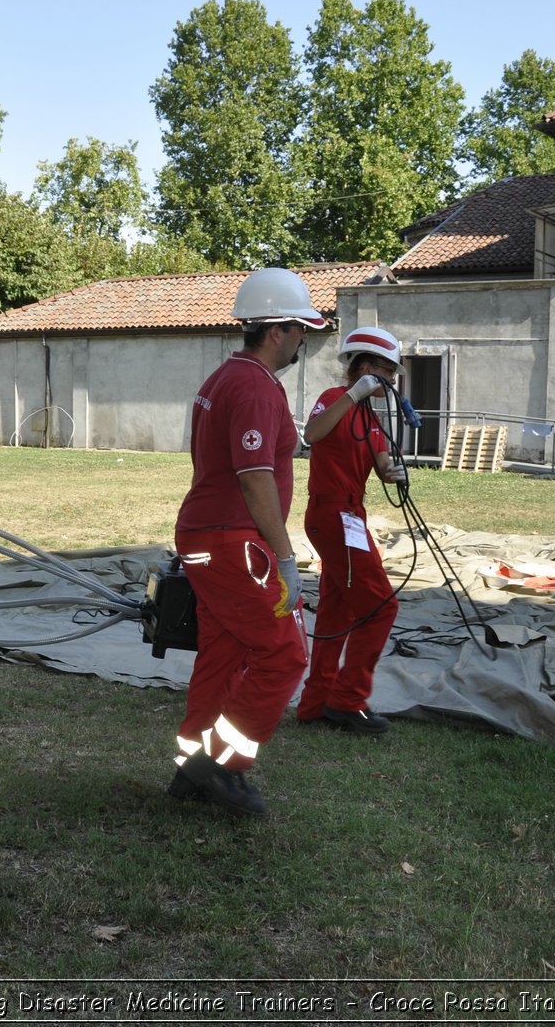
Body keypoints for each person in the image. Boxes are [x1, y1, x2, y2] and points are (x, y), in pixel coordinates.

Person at [166, 267, 327, 818]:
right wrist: (285, 559)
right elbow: (254, 475)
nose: (305, 338)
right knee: (285, 654)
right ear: (278, 329)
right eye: (302, 328)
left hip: (208, 537)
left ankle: (191, 766)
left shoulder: (224, 378)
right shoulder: (256, 387)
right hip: (234, 541)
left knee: (224, 653)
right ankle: (221, 767)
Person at [297, 326, 409, 736]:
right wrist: (353, 394)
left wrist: (391, 471)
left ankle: (314, 703)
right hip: (331, 515)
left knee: (337, 610)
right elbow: (312, 435)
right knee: (381, 606)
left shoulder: (372, 418)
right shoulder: (334, 400)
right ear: (364, 366)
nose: (393, 380)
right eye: (387, 371)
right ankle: (347, 701)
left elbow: (381, 463)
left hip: (352, 518)